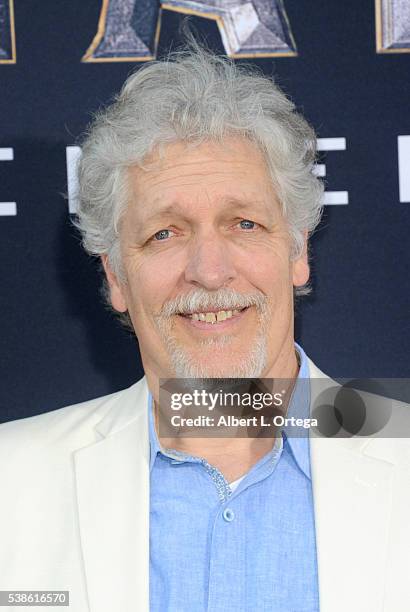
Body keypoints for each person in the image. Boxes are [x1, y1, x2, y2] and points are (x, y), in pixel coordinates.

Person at [0, 43, 409, 612]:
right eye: (164, 233)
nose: (210, 271)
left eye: (243, 223)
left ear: (297, 251)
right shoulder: (11, 480)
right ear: (116, 274)